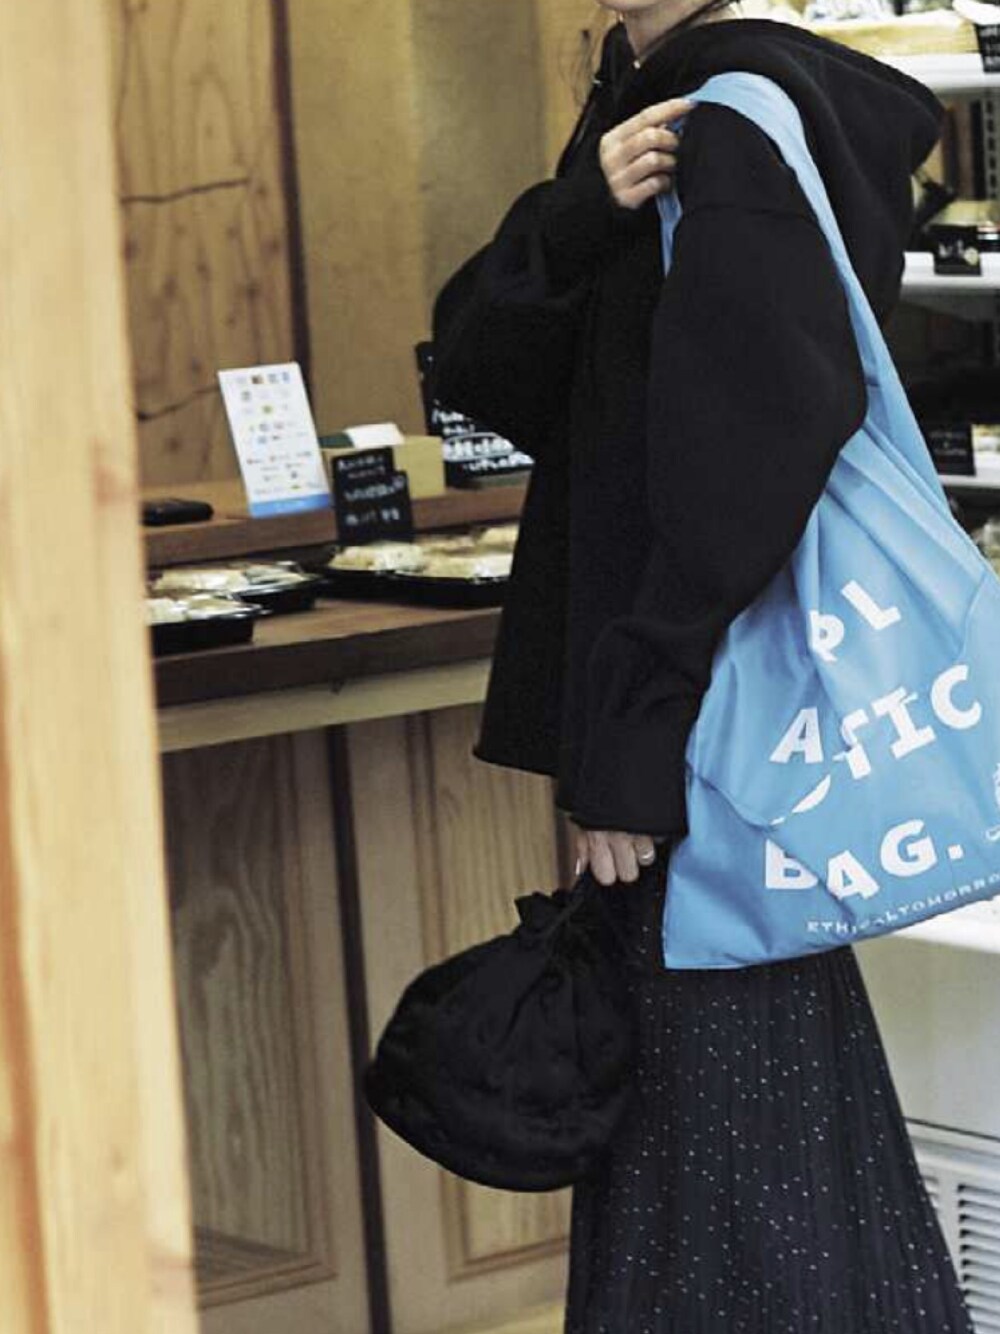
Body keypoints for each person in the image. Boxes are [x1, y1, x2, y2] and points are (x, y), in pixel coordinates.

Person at [431, 2, 975, 1329]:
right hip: (693, 702)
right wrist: (577, 213)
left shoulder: (727, 112)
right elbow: (490, 375)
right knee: (738, 1122)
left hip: (698, 713)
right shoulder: (648, 105)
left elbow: (751, 452)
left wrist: (635, 730)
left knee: (720, 1136)